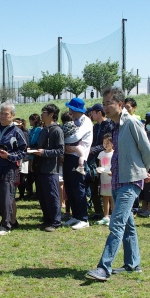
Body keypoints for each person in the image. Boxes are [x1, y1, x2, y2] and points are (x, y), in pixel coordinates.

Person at [86, 86, 150, 281]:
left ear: (121, 104)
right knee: (127, 225)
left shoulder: (131, 122)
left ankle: (104, 268)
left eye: (109, 103)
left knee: (116, 224)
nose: (105, 107)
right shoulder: (115, 126)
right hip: (117, 179)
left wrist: (142, 171)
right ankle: (133, 264)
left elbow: (147, 150)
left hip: (130, 180)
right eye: (104, 103)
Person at [0, 102, 26, 235]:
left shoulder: (16, 132)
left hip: (8, 168)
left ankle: (6, 223)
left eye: (6, 114)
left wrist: (9, 156)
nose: (2, 116)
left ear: (12, 116)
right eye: (1, 113)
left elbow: (23, 151)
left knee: (6, 196)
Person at [26, 104, 64, 232]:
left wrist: (44, 153)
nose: (41, 114)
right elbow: (39, 145)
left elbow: (60, 150)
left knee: (52, 196)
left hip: (51, 169)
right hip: (40, 168)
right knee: (42, 196)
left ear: (51, 114)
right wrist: (32, 150)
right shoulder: (43, 130)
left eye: (44, 112)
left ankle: (55, 222)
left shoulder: (57, 130)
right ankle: (47, 219)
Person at [62, 98, 93, 230]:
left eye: (71, 109)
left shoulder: (86, 121)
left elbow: (76, 136)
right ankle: (75, 216)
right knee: (69, 188)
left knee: (78, 189)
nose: (69, 111)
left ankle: (83, 218)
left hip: (78, 159)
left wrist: (64, 142)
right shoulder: (74, 121)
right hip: (69, 157)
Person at [87, 104, 113, 219]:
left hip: (106, 159)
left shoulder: (109, 125)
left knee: (108, 187)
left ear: (99, 113)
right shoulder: (95, 127)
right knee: (93, 184)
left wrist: (92, 150)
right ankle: (98, 211)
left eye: (92, 112)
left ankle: (110, 212)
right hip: (94, 160)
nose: (91, 115)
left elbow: (108, 145)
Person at [96, 134, 115, 225]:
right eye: (104, 142)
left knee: (112, 198)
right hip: (104, 179)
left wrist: (112, 173)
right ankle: (106, 216)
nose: (106, 144)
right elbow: (100, 165)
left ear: (112, 143)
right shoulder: (101, 153)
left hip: (111, 179)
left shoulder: (114, 153)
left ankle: (114, 216)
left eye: (108, 142)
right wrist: (99, 169)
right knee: (105, 198)